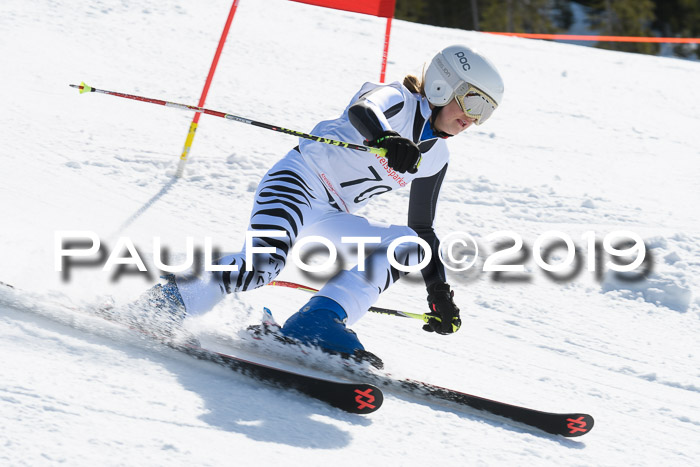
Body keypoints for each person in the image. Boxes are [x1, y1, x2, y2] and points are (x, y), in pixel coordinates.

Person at [134, 44, 504, 363]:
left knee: (410, 245)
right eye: (472, 101)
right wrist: (386, 137)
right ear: (444, 84)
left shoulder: (437, 156)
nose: (472, 119)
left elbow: (423, 227)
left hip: (333, 216)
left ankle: (318, 323)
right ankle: (168, 303)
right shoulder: (397, 99)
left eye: (484, 113)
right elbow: (364, 111)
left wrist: (438, 291)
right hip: (298, 181)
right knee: (262, 266)